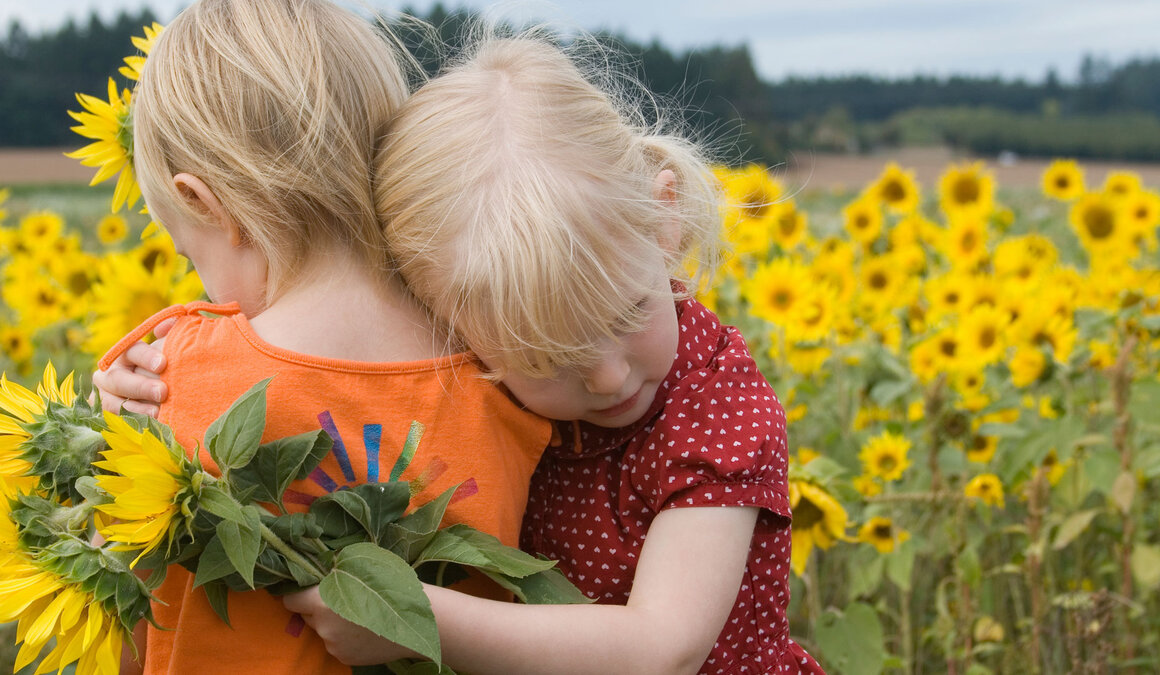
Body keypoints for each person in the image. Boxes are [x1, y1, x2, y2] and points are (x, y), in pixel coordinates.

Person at [100, 32, 824, 675]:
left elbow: (663, 648)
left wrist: (411, 618)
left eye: (627, 311)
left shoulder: (717, 409)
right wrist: (135, 403)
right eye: (545, 356)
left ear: (663, 223)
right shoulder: (468, 346)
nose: (607, 375)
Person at [95, 3, 552, 674]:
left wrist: (122, 451)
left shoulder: (165, 380)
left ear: (202, 203)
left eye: (187, 251)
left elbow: (125, 637)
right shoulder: (508, 364)